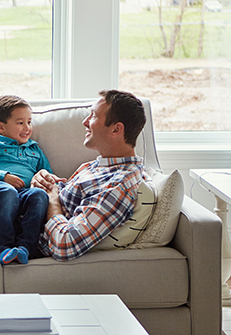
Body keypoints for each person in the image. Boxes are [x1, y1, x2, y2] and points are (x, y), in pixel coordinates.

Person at [31, 89, 149, 261]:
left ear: (116, 129)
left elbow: (65, 245)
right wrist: (42, 180)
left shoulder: (119, 186)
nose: (85, 122)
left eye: (93, 116)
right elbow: (63, 198)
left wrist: (52, 200)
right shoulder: (99, 166)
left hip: (17, 237)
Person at [0, 95, 50, 265]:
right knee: (7, 191)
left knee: (39, 195)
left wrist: (51, 179)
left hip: (24, 193)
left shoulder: (34, 149)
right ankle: (3, 248)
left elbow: (46, 173)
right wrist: (4, 177)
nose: (27, 128)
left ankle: (25, 248)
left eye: (29, 122)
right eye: (20, 122)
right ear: (1, 127)